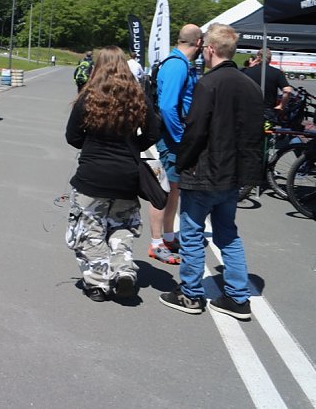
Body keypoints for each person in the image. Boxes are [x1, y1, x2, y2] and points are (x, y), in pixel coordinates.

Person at [159, 23, 263, 320]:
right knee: (228, 235)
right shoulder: (250, 85)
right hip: (232, 175)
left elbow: (195, 131)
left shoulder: (209, 84)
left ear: (210, 49)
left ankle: (191, 294)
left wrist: (182, 162)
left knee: (191, 234)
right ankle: (238, 297)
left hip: (203, 171)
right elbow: (255, 135)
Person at [65, 46, 161, 302]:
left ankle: (98, 283)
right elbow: (154, 133)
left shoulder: (89, 97)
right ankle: (123, 269)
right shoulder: (138, 97)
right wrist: (133, 148)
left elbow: (72, 136)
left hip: (92, 177)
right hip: (126, 178)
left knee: (90, 230)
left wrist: (91, 145)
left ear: (98, 67)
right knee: (121, 226)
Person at [148, 24, 202, 265]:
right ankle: (156, 242)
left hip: (173, 139)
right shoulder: (177, 65)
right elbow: (169, 106)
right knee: (163, 191)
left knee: (173, 191)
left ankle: (168, 236)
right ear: (199, 43)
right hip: (172, 141)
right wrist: (182, 140)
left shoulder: (177, 62)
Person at [241, 49, 293, 124]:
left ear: (258, 58)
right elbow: (287, 91)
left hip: (248, 110)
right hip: (268, 111)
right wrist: (281, 106)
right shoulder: (277, 72)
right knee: (266, 133)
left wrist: (250, 67)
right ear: (270, 59)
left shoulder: (246, 72)